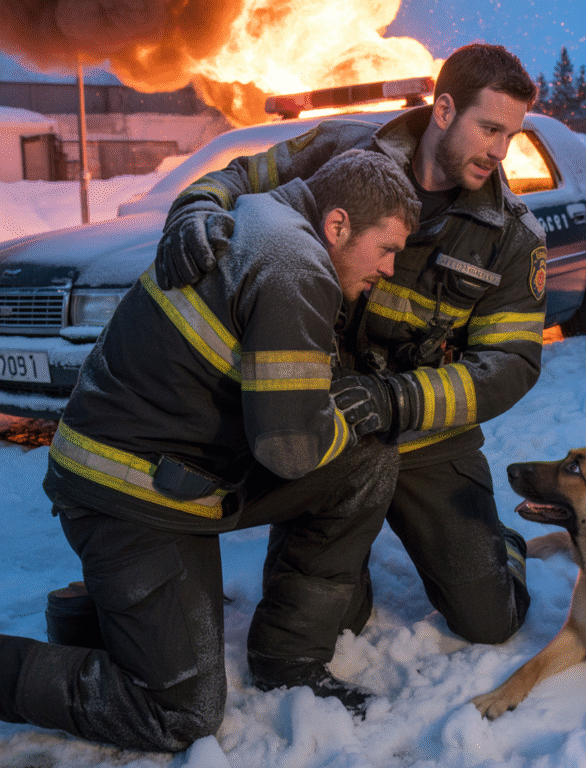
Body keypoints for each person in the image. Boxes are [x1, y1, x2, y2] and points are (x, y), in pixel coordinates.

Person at [0, 150, 421, 752]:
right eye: (386, 248)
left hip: (178, 472)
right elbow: (289, 449)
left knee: (367, 464)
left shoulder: (263, 218)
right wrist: (345, 416)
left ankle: (286, 657)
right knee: (178, 713)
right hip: (127, 495)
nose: (388, 267)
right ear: (337, 225)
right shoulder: (295, 265)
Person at [156, 44, 546, 650]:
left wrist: (398, 401)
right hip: (326, 424)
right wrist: (195, 207)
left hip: (424, 435)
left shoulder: (511, 237)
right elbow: (242, 177)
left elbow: (510, 364)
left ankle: (502, 548)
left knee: (490, 621)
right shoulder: (341, 152)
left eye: (511, 136)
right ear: (444, 109)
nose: (499, 151)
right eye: (489, 128)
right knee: (333, 621)